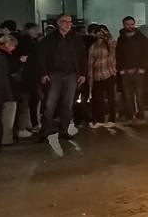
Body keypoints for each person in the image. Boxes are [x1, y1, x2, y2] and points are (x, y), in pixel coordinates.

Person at [39, 14, 87, 157]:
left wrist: (83, 73)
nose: (68, 25)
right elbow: (42, 57)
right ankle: (46, 131)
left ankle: (63, 131)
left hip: (71, 74)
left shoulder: (76, 39)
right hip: (55, 74)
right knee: (50, 103)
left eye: (70, 22)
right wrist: (44, 73)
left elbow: (82, 57)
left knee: (67, 104)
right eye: (65, 22)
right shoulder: (49, 39)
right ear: (59, 23)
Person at [116, 16, 148, 122]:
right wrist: (121, 69)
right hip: (125, 71)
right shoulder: (121, 39)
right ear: (124, 25)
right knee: (128, 95)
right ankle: (129, 114)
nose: (130, 26)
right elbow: (118, 54)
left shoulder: (141, 38)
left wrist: (142, 68)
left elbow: (146, 53)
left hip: (138, 70)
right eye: (128, 24)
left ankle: (141, 113)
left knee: (140, 94)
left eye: (132, 24)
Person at [87, 25, 118, 127]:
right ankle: (99, 120)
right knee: (98, 99)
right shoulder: (93, 46)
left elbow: (113, 44)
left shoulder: (109, 44)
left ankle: (112, 119)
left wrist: (106, 34)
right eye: (98, 32)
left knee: (110, 98)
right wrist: (90, 78)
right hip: (97, 76)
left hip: (109, 73)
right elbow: (90, 63)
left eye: (102, 32)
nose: (100, 34)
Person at [15, 22, 40, 137]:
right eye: (35, 29)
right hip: (28, 77)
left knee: (29, 101)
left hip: (28, 77)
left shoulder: (27, 41)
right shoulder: (27, 41)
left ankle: (29, 124)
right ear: (28, 30)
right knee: (27, 102)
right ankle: (24, 127)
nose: (37, 32)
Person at [0, 35, 21, 148]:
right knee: (7, 116)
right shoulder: (3, 57)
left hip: (2, 90)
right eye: (13, 46)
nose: (14, 49)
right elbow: (11, 71)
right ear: (7, 44)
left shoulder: (1, 56)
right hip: (6, 91)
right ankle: (5, 139)